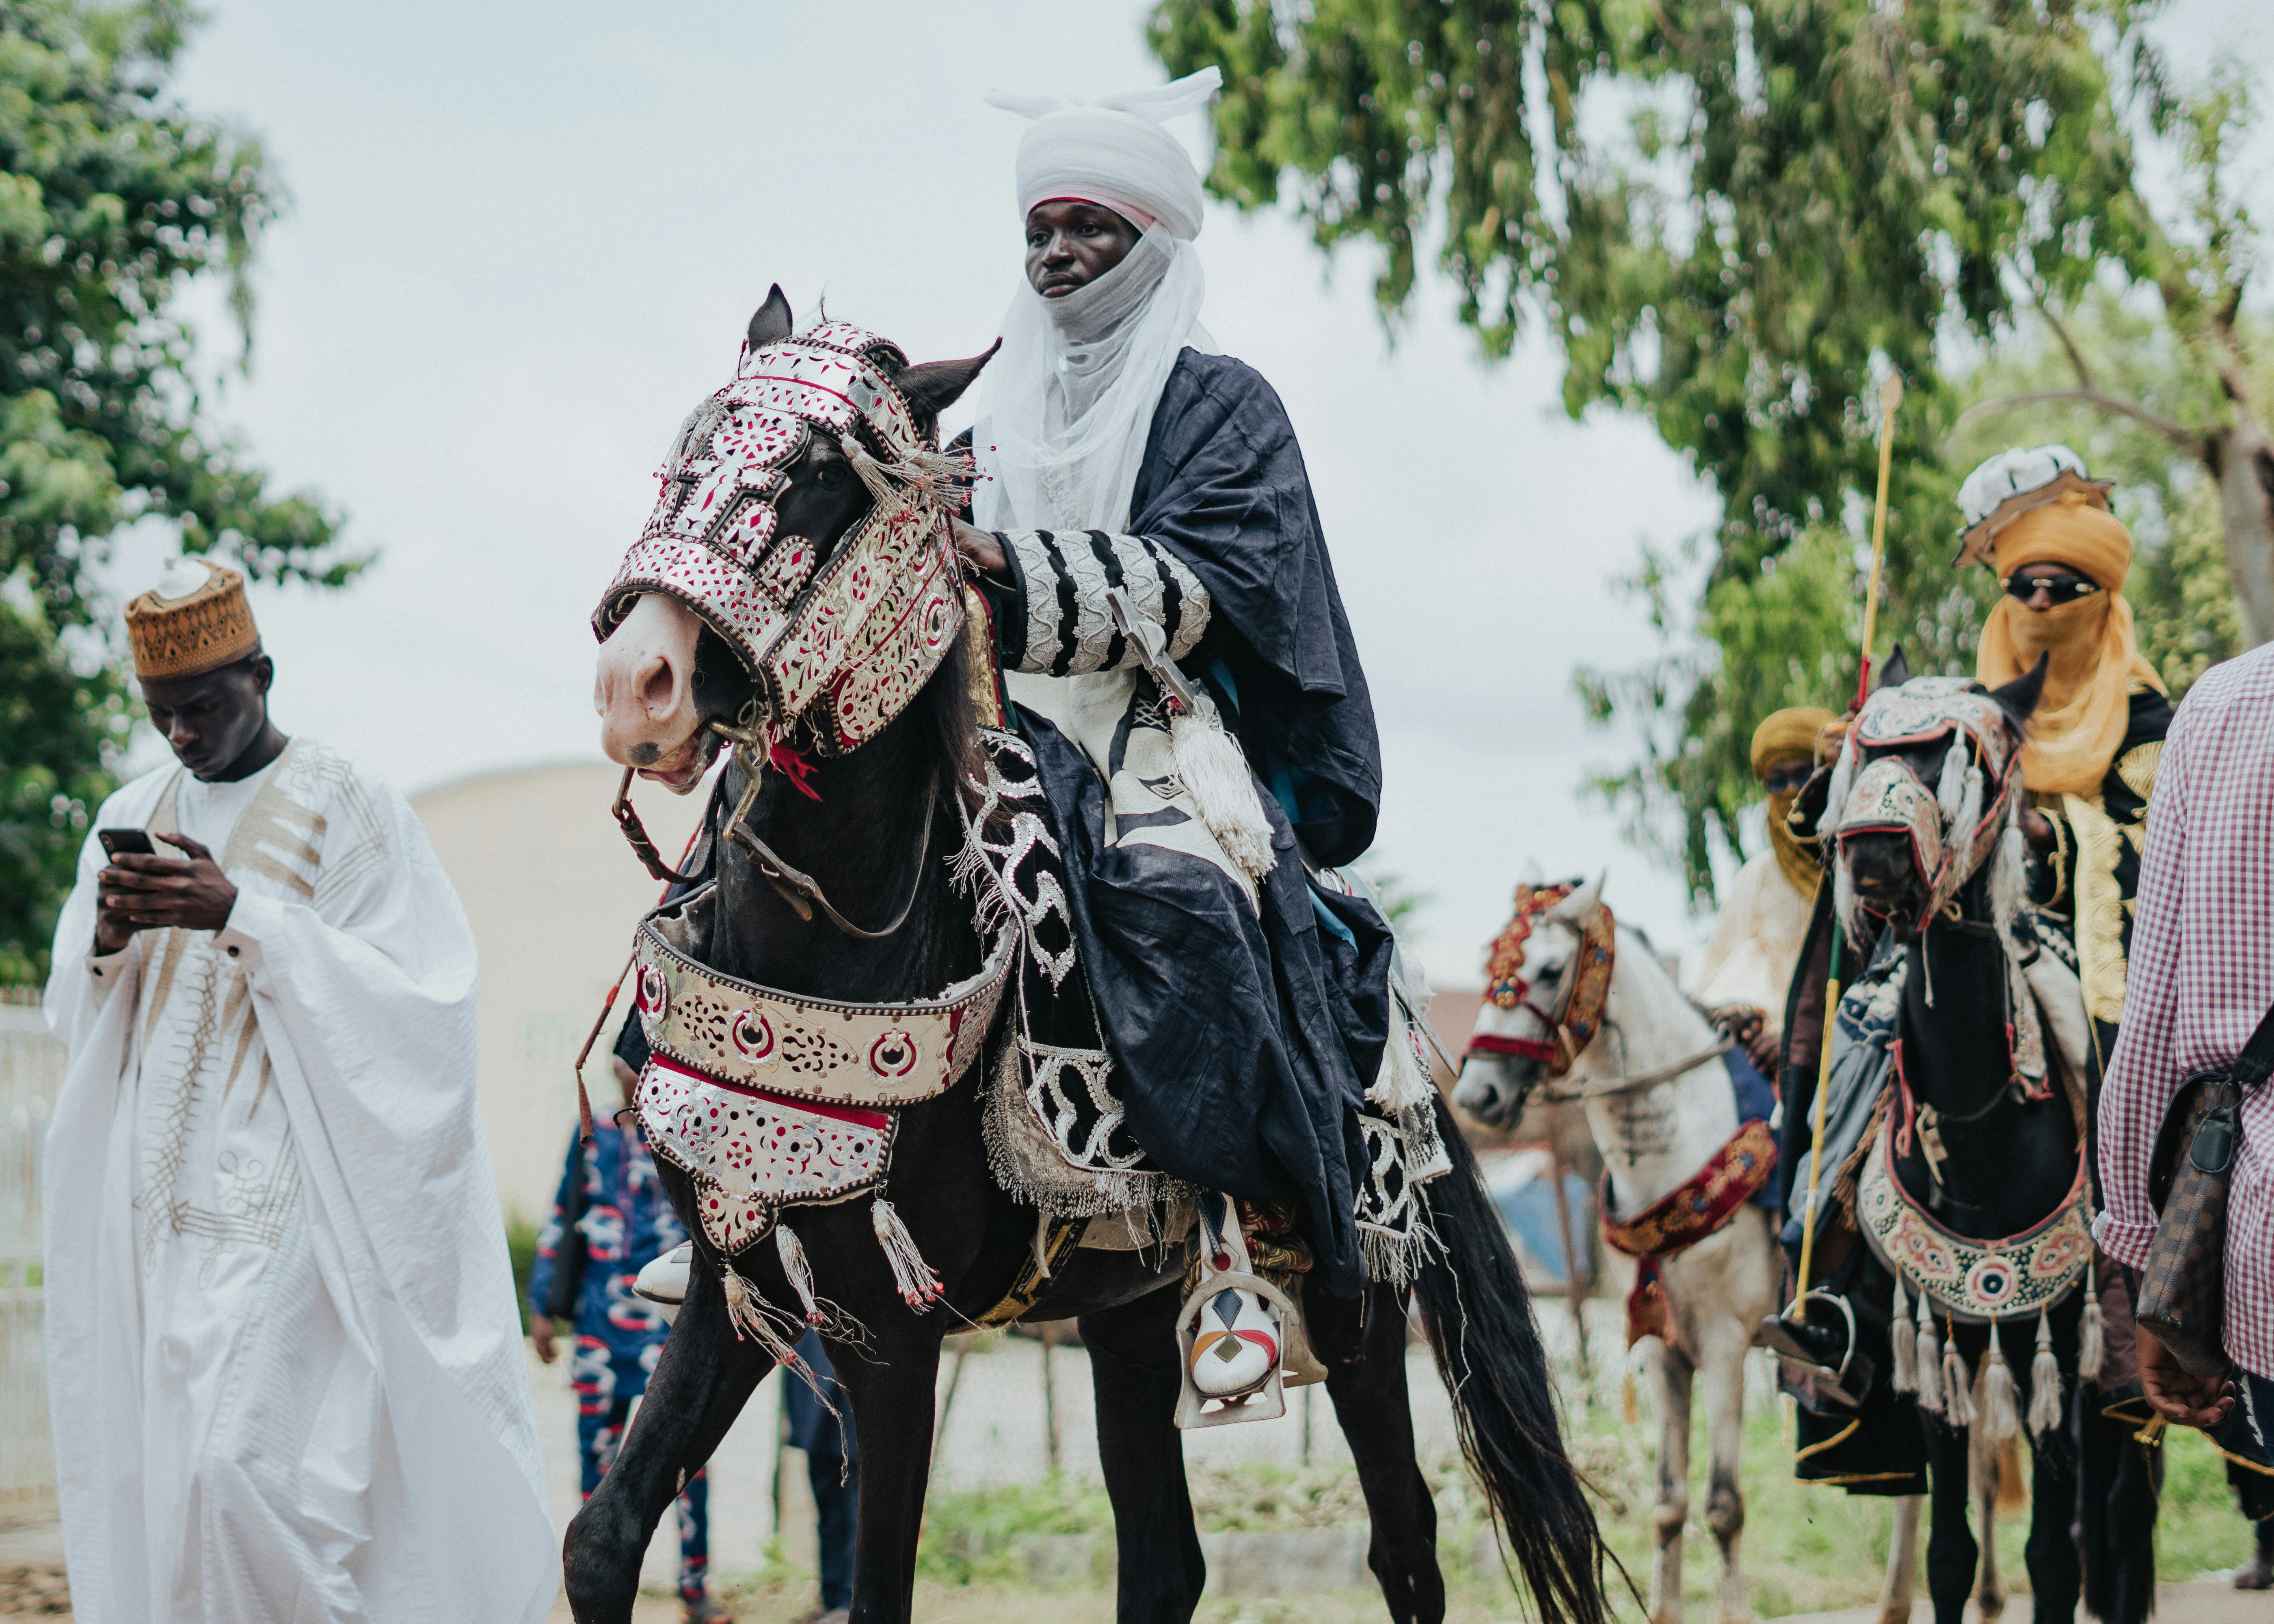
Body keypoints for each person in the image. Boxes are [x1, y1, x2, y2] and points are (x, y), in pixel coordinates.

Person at [947, 67, 1394, 1399]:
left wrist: (998, 574)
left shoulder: (1226, 406)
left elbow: (1208, 588)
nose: (1059, 252)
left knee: (1190, 902)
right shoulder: (981, 421)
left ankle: (1241, 1240)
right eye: (1042, 228)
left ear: (1155, 238)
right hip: (1004, 730)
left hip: (1163, 734)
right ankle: (769, 1205)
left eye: (1090, 225)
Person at [41, 559, 554, 1622]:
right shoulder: (133, 809)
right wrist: (103, 942)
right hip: (159, 1216)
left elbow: (424, 1009)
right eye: (162, 716)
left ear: (262, 674)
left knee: (240, 1476)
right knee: (171, 1485)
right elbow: (77, 1015)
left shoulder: (352, 805)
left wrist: (245, 912)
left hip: (295, 1210)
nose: (182, 736)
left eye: (203, 708)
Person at [2096, 638, 2274, 1491]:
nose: (2042, 601)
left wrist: (2147, 1250)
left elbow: (2154, 1005)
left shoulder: (2208, 708)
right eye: (2025, 584)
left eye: (2061, 583)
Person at [531, 1058, 730, 1624]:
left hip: (667, 1335)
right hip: (597, 1331)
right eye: (620, 1056)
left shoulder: (688, 1134)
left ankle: (695, 1588)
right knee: (596, 1469)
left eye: (637, 1055)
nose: (626, 1065)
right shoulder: (590, 1133)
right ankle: (593, 1583)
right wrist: (545, 1306)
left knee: (685, 1464)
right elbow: (563, 1213)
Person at [1691, 706, 1837, 1073]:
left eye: (1804, 775)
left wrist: (1799, 1041)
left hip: (1841, 1060)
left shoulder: (1859, 874)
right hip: (1763, 1065)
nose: (1791, 790)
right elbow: (1718, 981)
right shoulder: (1756, 878)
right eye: (1777, 781)